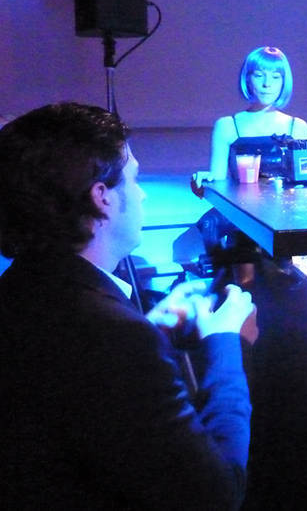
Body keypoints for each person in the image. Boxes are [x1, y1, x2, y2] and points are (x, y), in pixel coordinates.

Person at [0, 102, 256, 509]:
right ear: (101, 197)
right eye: (133, 179)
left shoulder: (20, 288)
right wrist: (224, 340)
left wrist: (149, 328)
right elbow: (216, 496)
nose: (142, 193)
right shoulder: (116, 337)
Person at [208, 45, 307, 182]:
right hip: (239, 197)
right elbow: (217, 180)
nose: (267, 84)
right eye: (259, 76)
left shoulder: (297, 127)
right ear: (247, 79)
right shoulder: (226, 126)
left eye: (275, 77)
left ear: (284, 82)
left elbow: (305, 182)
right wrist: (207, 179)